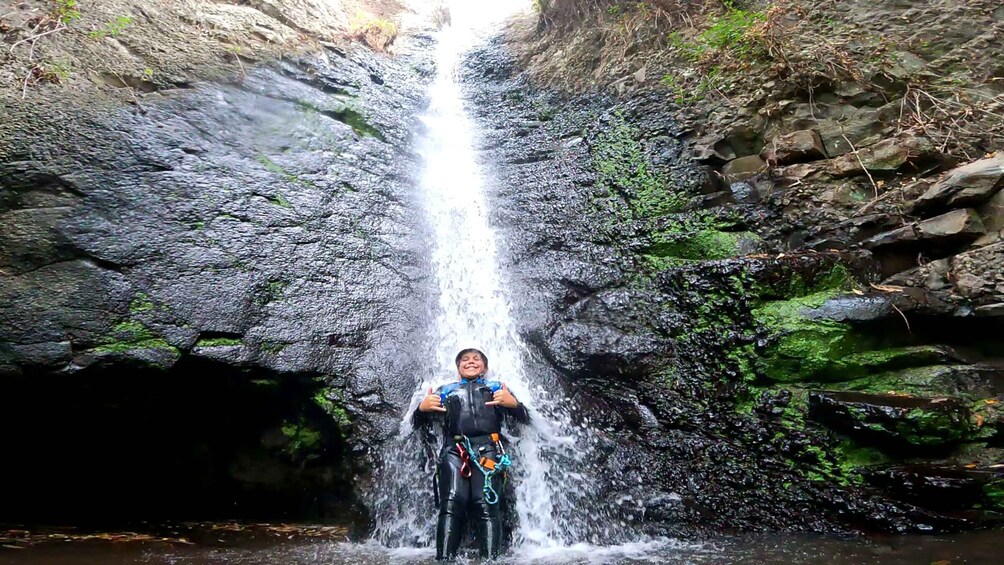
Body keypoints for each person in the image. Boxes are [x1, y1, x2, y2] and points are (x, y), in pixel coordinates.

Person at [414, 347, 530, 561]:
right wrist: (421, 409)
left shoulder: (496, 389)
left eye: (476, 359)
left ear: (485, 367)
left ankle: (490, 560)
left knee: (485, 504)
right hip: (454, 451)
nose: (470, 362)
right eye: (465, 359)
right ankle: (445, 559)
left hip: (488, 449)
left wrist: (513, 403)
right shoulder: (445, 390)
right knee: (451, 502)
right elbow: (417, 424)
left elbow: (525, 418)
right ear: (458, 367)